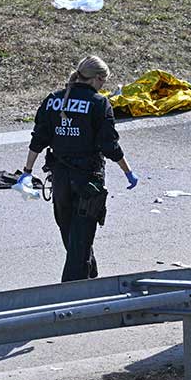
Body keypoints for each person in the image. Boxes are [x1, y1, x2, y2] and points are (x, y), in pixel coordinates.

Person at [17, 56, 139, 282]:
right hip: (88, 181)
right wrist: (127, 171)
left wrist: (27, 171)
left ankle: (91, 280)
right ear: (97, 79)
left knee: (72, 239)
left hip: (60, 180)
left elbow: (38, 139)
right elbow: (109, 145)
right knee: (79, 243)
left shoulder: (53, 100)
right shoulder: (98, 103)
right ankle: (74, 295)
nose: (103, 85)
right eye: (103, 81)